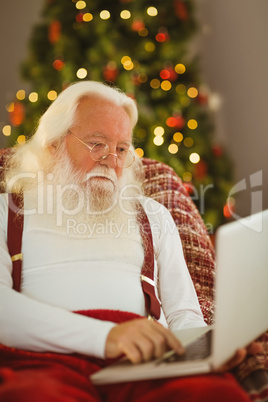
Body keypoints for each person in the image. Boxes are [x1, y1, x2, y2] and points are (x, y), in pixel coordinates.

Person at [0, 81, 259, 401]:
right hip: (41, 363)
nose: (112, 159)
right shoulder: (6, 212)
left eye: (122, 148)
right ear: (53, 146)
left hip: (141, 363)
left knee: (212, 394)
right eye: (97, 144)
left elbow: (184, 316)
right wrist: (105, 336)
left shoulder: (153, 215)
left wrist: (207, 351)